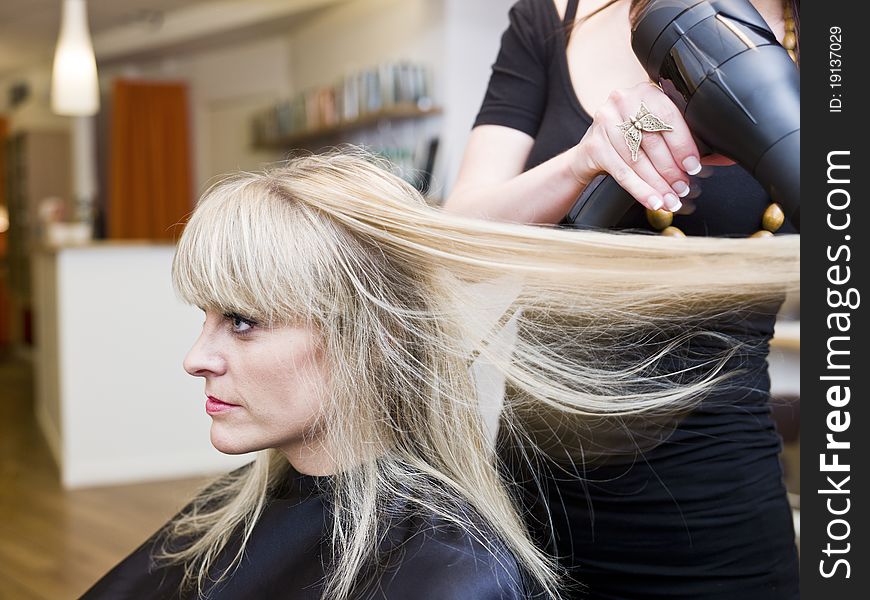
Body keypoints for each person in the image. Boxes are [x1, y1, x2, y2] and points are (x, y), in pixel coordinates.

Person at [77, 150, 796, 600]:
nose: (195, 358)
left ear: (373, 333)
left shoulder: (448, 572)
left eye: (241, 321)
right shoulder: (233, 515)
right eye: (205, 319)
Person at [444, 0, 800, 598]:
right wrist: (585, 161)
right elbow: (459, 246)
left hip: (718, 493)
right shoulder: (553, 17)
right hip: (538, 484)